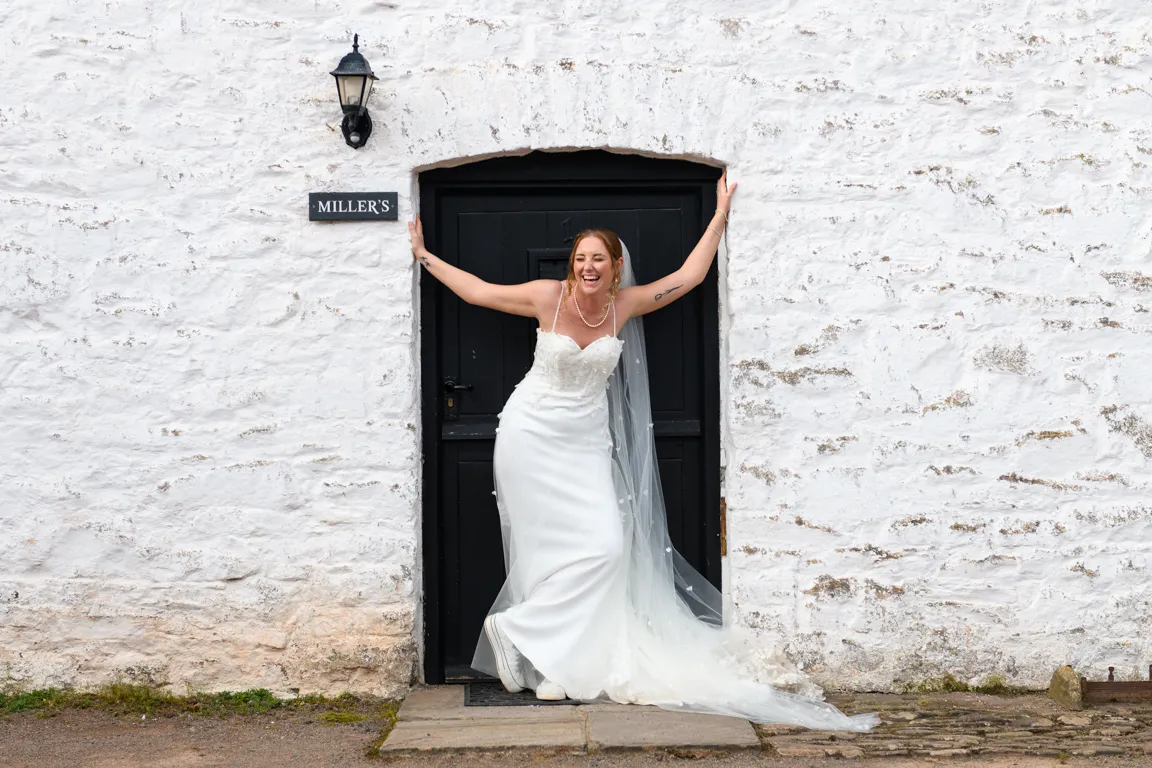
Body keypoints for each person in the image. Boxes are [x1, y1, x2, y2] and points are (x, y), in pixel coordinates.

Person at [409, 171, 877, 731]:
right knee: (544, 554)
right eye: (580, 258)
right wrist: (423, 255)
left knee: (605, 545)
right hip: (530, 435)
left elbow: (689, 276)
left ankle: (518, 630)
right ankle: (548, 666)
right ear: (571, 263)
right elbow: (478, 292)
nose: (587, 268)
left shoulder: (622, 306)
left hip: (584, 444)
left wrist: (720, 214)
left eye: (597, 260)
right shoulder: (547, 298)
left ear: (614, 267)